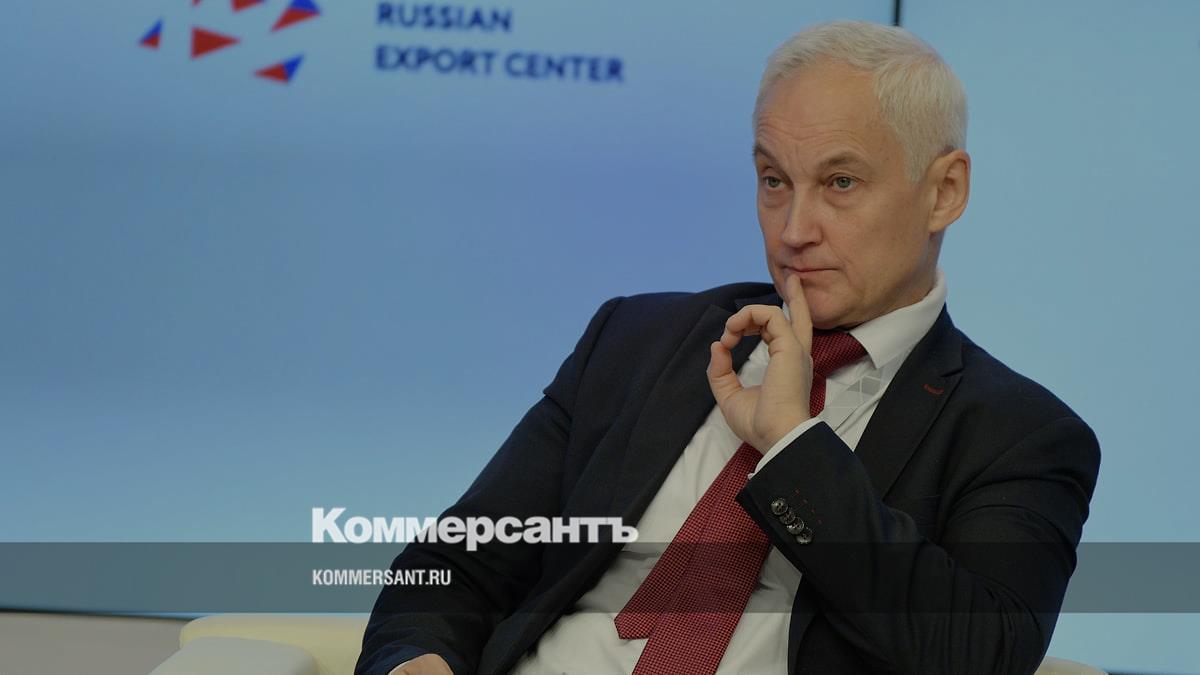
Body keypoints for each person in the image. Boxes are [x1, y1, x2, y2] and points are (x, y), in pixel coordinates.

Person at [356, 20, 1100, 675]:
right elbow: (456, 564)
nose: (793, 230)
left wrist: (793, 448)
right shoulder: (636, 341)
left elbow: (977, 653)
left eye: (840, 182)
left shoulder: (1019, 436)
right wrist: (415, 657)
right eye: (773, 180)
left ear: (945, 191)